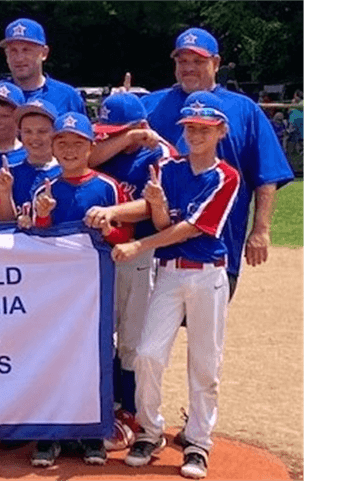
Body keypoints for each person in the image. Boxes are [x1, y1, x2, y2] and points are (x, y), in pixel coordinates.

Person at [87, 91, 241, 479]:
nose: (194, 135)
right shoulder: (171, 168)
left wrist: (139, 243)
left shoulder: (226, 176)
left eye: (203, 129)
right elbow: (158, 218)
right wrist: (140, 206)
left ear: (220, 131)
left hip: (207, 274)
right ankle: (150, 430)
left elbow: (191, 228)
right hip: (170, 273)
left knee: (205, 363)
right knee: (149, 355)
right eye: (189, 127)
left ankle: (198, 442)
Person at [139, 27, 294, 303]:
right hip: (153, 241)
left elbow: (266, 174)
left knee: (204, 335)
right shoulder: (150, 105)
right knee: (146, 335)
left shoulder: (243, 109)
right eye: (182, 61)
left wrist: (261, 230)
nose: (188, 68)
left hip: (218, 243)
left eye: (198, 61)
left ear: (216, 63)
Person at [28, 112, 131, 467]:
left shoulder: (106, 186)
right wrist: (42, 217)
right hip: (55, 291)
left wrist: (107, 228)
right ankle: (49, 434)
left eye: (77, 143)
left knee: (96, 356)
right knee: (52, 355)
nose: (70, 149)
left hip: (94, 289)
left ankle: (92, 431)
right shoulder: (46, 188)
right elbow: (35, 242)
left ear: (91, 147)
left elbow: (124, 237)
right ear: (54, 147)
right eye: (63, 143)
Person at [87, 92, 179, 451]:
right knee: (101, 335)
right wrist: (124, 137)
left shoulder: (158, 155)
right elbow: (88, 157)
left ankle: (132, 412)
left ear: (143, 127)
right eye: (107, 132)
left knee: (132, 339)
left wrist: (113, 212)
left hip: (141, 254)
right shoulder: (109, 150)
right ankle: (108, 405)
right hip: (101, 254)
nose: (108, 138)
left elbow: (154, 205)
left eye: (117, 132)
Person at [0, 99, 61, 225]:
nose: (34, 137)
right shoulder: (11, 173)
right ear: (20, 134)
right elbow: (4, 222)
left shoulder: (64, 172)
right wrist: (5, 192)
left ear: (55, 133)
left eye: (42, 131)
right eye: (27, 131)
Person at [0, 18, 86, 115]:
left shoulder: (67, 96)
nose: (19, 58)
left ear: (44, 53)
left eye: (26, 50)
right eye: (13, 51)